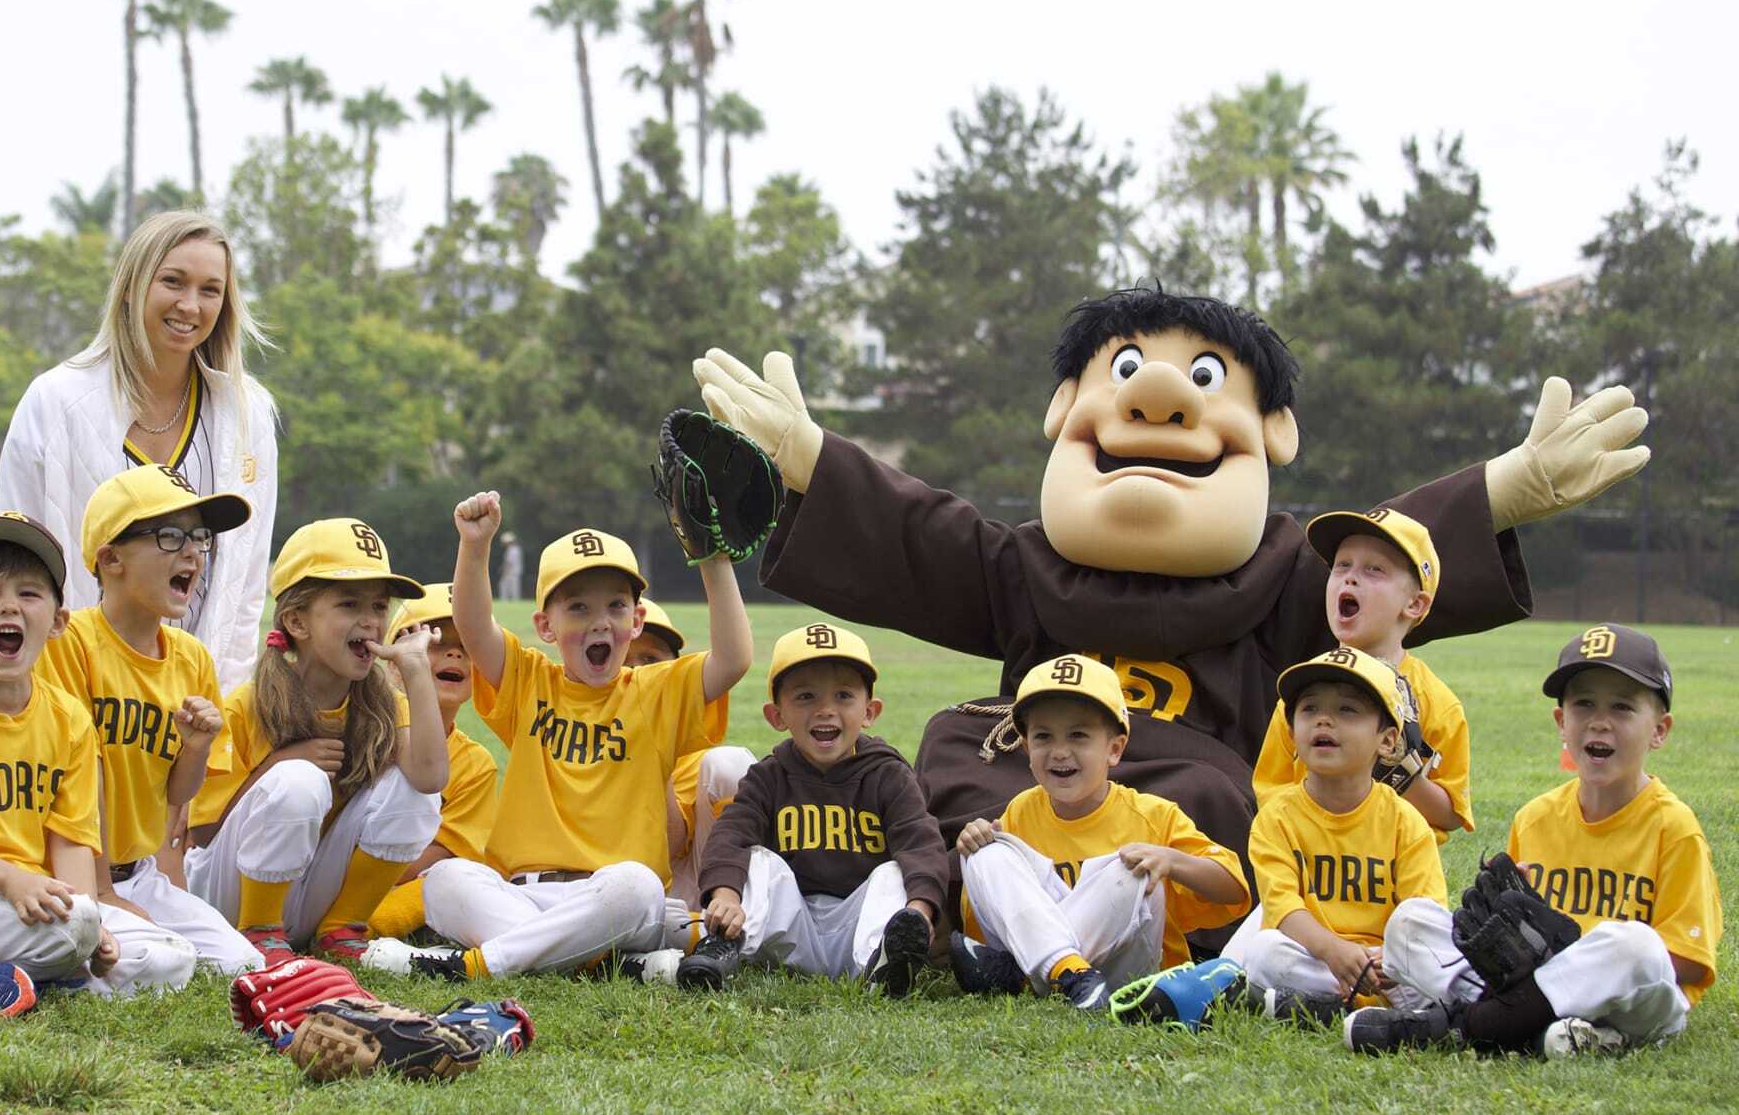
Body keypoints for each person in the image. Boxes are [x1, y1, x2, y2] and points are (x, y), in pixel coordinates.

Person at [695, 289, 1647, 958]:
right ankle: (953, 921)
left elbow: (1381, 563)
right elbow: (921, 537)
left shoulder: (1282, 575)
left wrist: (1498, 495)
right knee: (949, 751)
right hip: (1029, 767)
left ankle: (1094, 937)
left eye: (1200, 376)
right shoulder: (1027, 567)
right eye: (1126, 372)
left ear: (1270, 429)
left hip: (1185, 797)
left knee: (1228, 801)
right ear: (1067, 408)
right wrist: (819, 463)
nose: (1157, 397)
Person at [365, 497, 752, 982]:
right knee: (445, 881)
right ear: (545, 627)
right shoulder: (530, 682)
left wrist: (712, 559)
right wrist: (475, 546)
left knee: (637, 886)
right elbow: (471, 623)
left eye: (616, 605)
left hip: (611, 895)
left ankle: (474, 966)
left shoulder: (657, 692)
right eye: (578, 607)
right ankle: (615, 965)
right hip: (524, 894)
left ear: (636, 620)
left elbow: (734, 658)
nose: (600, 621)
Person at [0, 514, 196, 1016]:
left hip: (41, 899)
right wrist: (11, 881)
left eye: (29, 593)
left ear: (58, 622)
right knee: (75, 936)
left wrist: (90, 915)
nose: (9, 606)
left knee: (175, 956)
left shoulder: (68, 720)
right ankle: (58, 970)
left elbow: (70, 839)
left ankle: (11, 979)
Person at [1357, 624, 1720, 1057]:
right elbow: (1510, 937)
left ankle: (1470, 1024)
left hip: (1632, 1002)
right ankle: (1555, 1036)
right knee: (1411, 921)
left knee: (1635, 945)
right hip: (1532, 992)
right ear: (1561, 721)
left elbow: (1687, 960)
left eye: (1623, 707)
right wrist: (1498, 928)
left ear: (1659, 730)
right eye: (1583, 704)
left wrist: (1577, 957)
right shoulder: (1535, 818)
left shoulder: (1674, 828)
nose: (1600, 722)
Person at [0, 209, 278, 692]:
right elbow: (13, 558)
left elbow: (246, 586)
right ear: (132, 285)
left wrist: (223, 712)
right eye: (173, 281)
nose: (190, 305)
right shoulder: (54, 400)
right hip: (74, 699)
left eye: (210, 290)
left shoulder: (247, 413)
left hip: (198, 707)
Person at [185, 519, 448, 967]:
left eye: (380, 606)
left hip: (304, 895)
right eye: (349, 604)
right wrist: (277, 766)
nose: (370, 621)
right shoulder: (248, 703)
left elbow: (430, 778)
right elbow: (202, 834)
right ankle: (260, 931)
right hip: (227, 897)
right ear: (296, 621)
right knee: (298, 779)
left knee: (411, 790)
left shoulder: (382, 704)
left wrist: (418, 671)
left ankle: (341, 929)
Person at [34, 464, 263, 976]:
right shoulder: (69, 643)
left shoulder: (191, 658)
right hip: (68, 870)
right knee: (159, 962)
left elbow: (179, 795)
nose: (192, 553)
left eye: (199, 538)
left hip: (138, 873)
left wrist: (197, 746)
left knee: (241, 963)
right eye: (168, 535)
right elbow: (73, 783)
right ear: (110, 558)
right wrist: (101, 891)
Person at [952, 655, 1250, 1010]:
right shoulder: (1020, 812)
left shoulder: (1152, 814)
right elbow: (994, 913)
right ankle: (1070, 973)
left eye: (1078, 735)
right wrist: (977, 842)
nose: (1060, 751)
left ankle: (1032, 974)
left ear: (1114, 748)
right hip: (1075, 982)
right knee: (987, 847)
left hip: (1129, 975)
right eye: (1043, 736)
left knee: (1130, 866)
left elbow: (1232, 887)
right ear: (1027, 749)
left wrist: (1170, 860)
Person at [677, 623, 947, 997]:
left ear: (870, 711)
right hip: (794, 928)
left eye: (843, 696)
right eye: (805, 697)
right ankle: (725, 945)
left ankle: (886, 962)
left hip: (861, 926)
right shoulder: (769, 776)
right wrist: (725, 896)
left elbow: (922, 844)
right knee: (758, 859)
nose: (825, 710)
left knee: (894, 871)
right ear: (777, 716)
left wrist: (919, 910)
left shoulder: (888, 775)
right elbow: (732, 836)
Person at [1219, 646, 1445, 1023]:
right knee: (1264, 952)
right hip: (1316, 955)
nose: (1324, 720)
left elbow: (1422, 914)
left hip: (1386, 966)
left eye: (1347, 710)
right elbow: (1283, 910)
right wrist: (1334, 951)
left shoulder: (1405, 820)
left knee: (1430, 949)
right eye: (1310, 709)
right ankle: (1371, 1012)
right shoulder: (1277, 817)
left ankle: (1326, 1007)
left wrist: (1384, 959)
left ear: (1387, 740)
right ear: (1291, 733)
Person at [1253, 509, 1471, 840]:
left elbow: (1450, 814)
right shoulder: (1302, 688)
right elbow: (1270, 794)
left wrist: (1402, 773)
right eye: (1342, 565)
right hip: (1306, 859)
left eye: (1374, 569)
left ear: (1414, 604)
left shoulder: (1435, 701)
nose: (1350, 578)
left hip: (1392, 870)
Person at [363, 583, 502, 941]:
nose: (455, 655)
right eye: (435, 643)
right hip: (337, 873)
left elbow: (446, 852)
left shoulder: (475, 763)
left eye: (469, 647)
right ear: (392, 662)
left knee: (447, 879)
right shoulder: (361, 727)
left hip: (405, 879)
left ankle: (369, 923)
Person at [626, 597, 755, 911]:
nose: (637, 671)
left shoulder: (689, 751)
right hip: (598, 884)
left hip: (681, 887)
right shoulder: (574, 729)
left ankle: (730, 910)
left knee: (730, 766)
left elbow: (669, 845)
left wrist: (656, 749)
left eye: (651, 659)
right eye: (625, 659)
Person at [496, 532, 525, 602]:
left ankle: (506, 601)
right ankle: (511, 601)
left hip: (511, 572)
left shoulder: (512, 550)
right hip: (515, 571)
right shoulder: (516, 549)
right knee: (513, 587)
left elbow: (509, 563)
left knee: (508, 587)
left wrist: (504, 571)